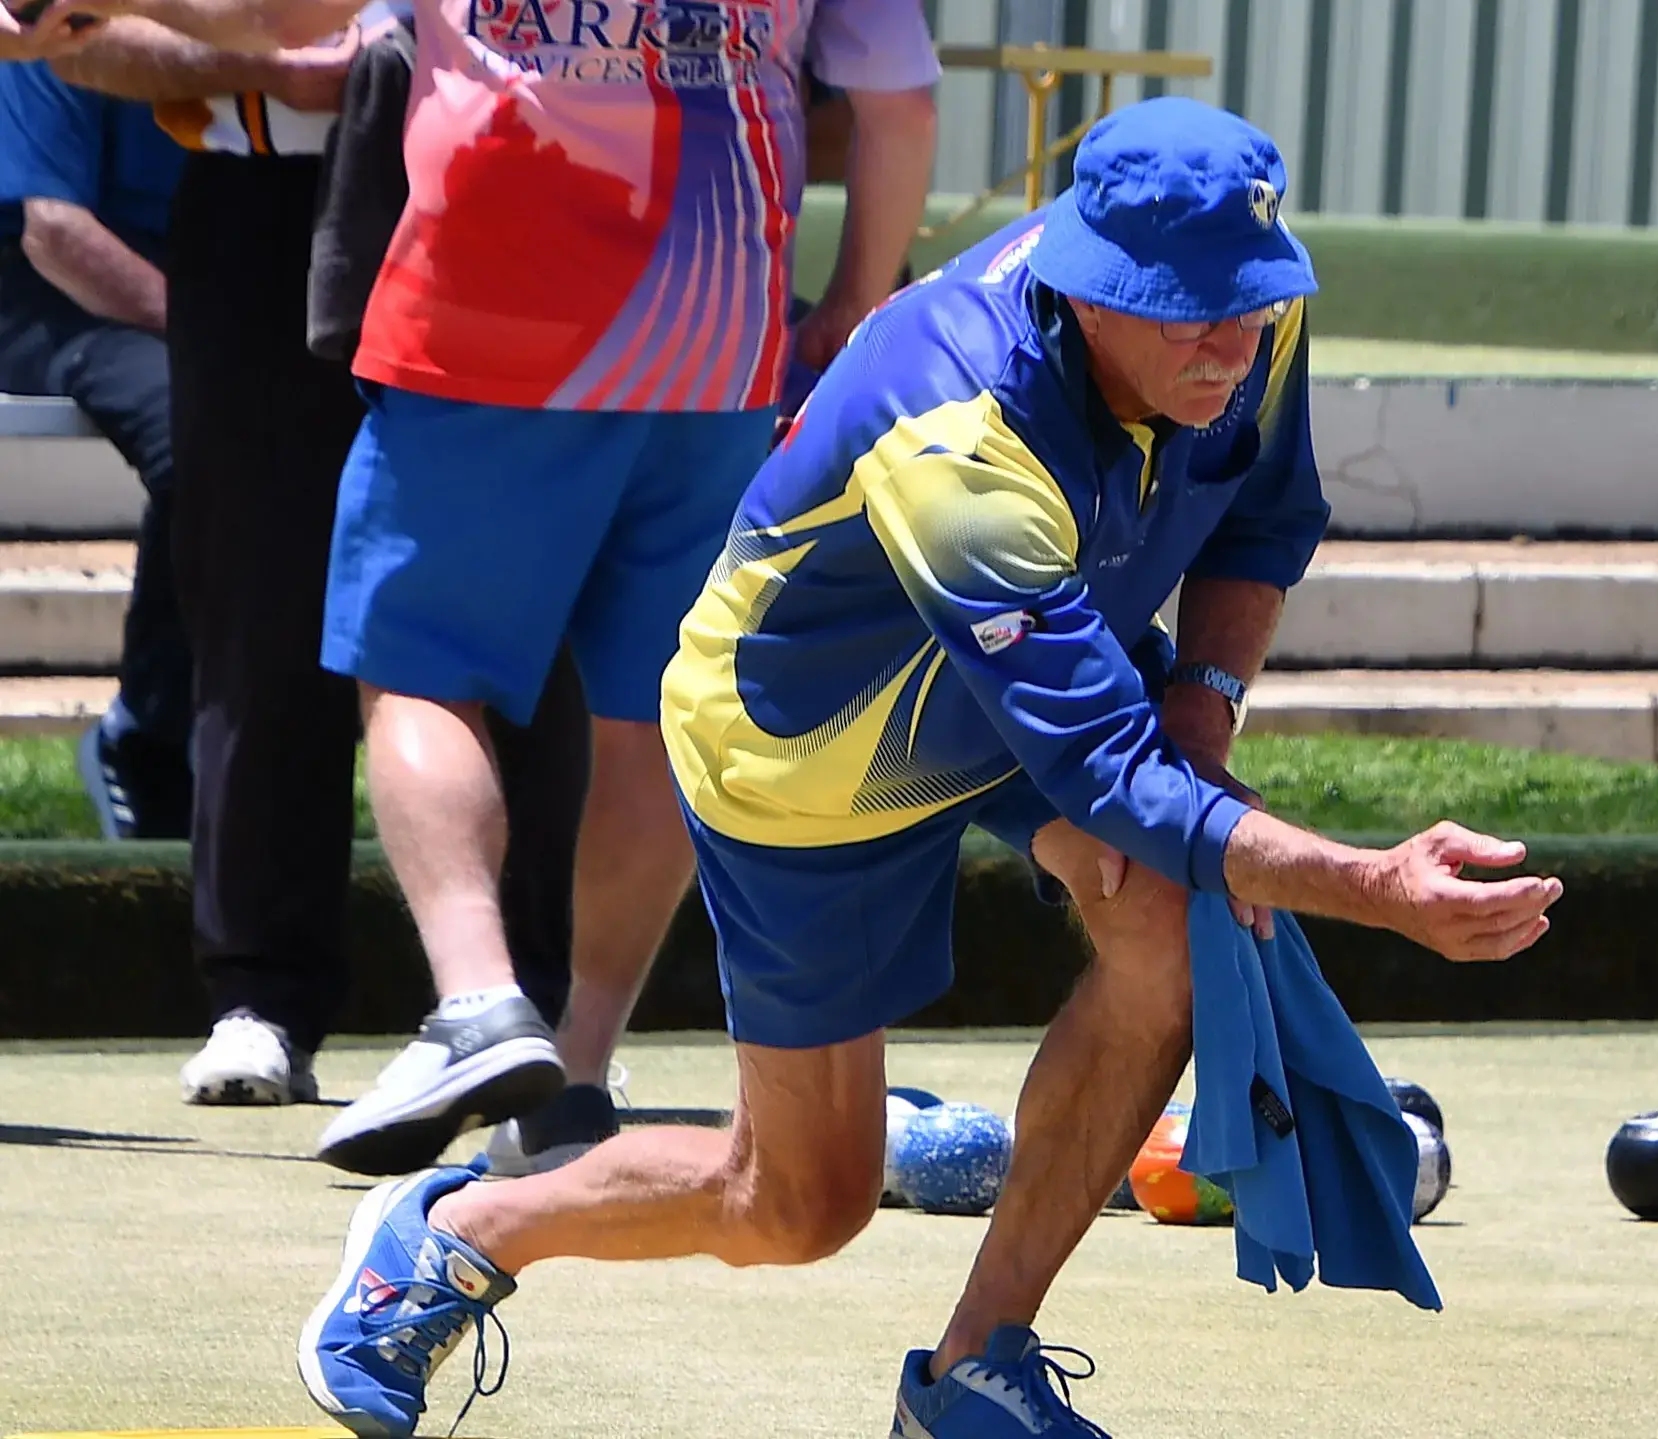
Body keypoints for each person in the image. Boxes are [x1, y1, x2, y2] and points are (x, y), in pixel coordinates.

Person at [296, 98, 1563, 1439]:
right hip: (808, 745)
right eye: (1188, 312)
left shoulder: (1245, 319)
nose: (1228, 341)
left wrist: (1201, 713)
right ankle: (451, 1232)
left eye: (1247, 305)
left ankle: (973, 1370)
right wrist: (1372, 883)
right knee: (795, 1202)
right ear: (1084, 286)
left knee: (1171, 936)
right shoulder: (957, 429)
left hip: (1038, 649)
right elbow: (1112, 778)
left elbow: (1262, 515)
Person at [303, 0, 940, 1178]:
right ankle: (579, 1066)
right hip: (714, 334)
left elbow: (288, 17)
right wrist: (857, 298)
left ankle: (481, 999)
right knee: (658, 712)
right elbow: (899, 98)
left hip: (480, 327)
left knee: (419, 672)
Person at [42, 16, 596, 1112]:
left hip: (510, 195)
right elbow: (76, 43)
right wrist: (267, 62)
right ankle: (263, 998)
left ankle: (529, 1004)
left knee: (514, 595)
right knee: (258, 596)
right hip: (263, 207)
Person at [0, 57, 193, 841]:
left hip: (218, 282)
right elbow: (54, 233)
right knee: (202, 438)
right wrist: (220, 337)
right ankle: (147, 740)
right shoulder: (50, 20)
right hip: (52, 289)